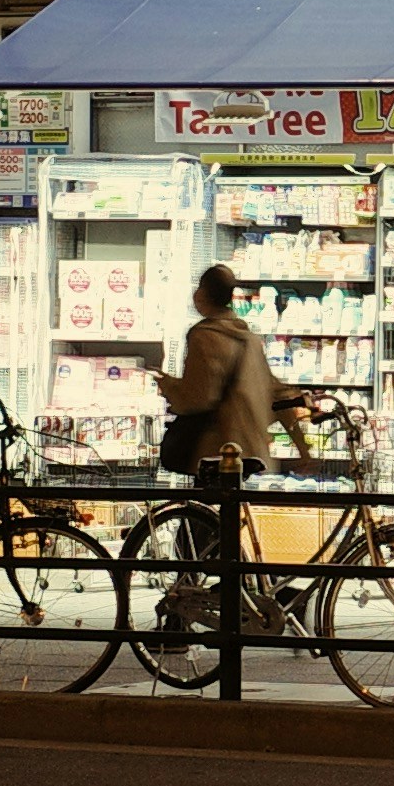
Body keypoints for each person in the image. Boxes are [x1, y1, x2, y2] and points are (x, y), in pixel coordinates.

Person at [153, 262, 279, 626]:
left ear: (203, 295)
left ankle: (180, 615)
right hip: (247, 444)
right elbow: (268, 387)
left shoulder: (204, 335)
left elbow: (199, 396)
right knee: (217, 530)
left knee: (194, 533)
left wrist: (168, 386)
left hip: (215, 450)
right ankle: (250, 597)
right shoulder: (247, 335)